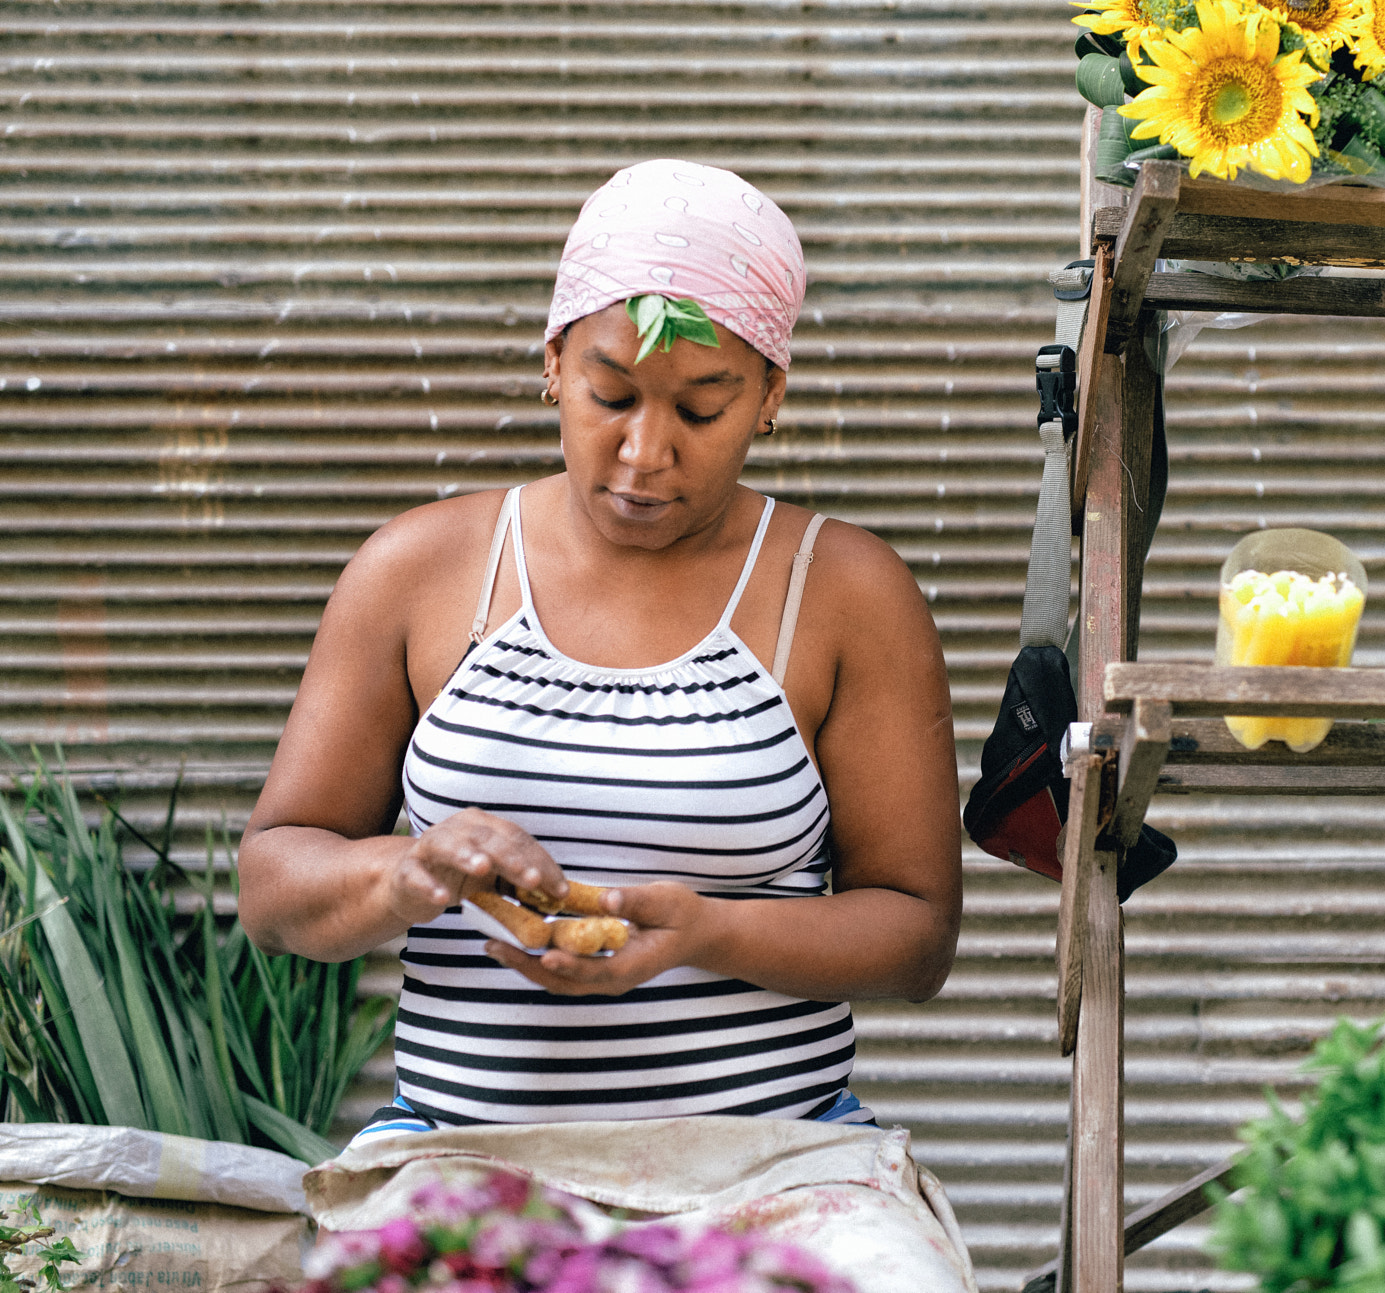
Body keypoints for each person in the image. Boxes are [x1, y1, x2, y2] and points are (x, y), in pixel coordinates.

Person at [237, 161, 962, 1146]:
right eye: (609, 395)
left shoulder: (841, 594)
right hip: (459, 1152)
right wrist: (409, 873)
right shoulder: (421, 570)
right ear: (551, 362)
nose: (645, 453)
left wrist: (706, 932)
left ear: (769, 397)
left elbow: (914, 939)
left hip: (768, 1162)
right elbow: (274, 885)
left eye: (703, 408)